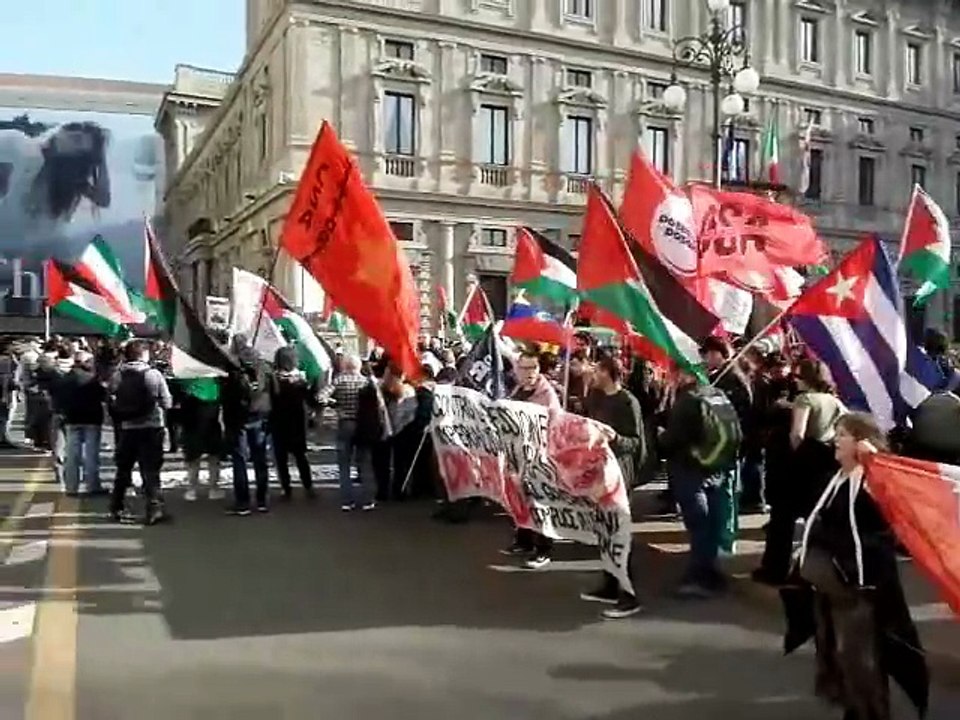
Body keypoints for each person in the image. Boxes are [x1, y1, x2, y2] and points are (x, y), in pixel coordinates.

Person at [782, 412, 928, 720]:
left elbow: (886, 516)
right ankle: (854, 708)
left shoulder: (871, 482)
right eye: (837, 432)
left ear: (861, 442)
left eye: (843, 434)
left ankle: (870, 713)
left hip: (862, 586)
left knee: (861, 658)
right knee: (839, 653)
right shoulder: (835, 479)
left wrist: (876, 467)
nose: (836, 439)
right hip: (833, 587)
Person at [758, 358, 845, 585]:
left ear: (805, 379)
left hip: (798, 469)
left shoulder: (804, 399)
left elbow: (797, 434)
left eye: (796, 377)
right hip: (824, 468)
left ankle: (775, 570)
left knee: (782, 522)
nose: (794, 381)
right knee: (817, 520)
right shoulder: (834, 401)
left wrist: (797, 452)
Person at [659, 365, 740, 598]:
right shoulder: (717, 394)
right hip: (716, 467)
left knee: (699, 525)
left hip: (689, 469)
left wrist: (661, 436)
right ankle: (711, 572)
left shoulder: (687, 401)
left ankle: (699, 577)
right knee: (711, 523)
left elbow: (673, 439)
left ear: (684, 375)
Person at [581, 353, 645, 619]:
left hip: (619, 472)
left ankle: (628, 595)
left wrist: (616, 438)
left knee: (619, 533)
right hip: (598, 471)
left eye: (597, 370)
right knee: (604, 531)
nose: (593, 373)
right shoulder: (595, 397)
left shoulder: (628, 402)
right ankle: (609, 585)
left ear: (609, 373)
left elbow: (636, 442)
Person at [502, 350, 561, 569]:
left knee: (540, 504)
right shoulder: (517, 391)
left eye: (533, 368)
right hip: (518, 456)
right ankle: (524, 540)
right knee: (520, 500)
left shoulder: (547, 395)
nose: (528, 373)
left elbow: (555, 427)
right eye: (524, 368)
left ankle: (543, 549)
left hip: (540, 457)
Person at [108, 340, 172, 525]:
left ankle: (116, 506)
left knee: (123, 469)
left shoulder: (117, 375)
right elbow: (166, 402)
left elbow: (111, 400)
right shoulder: (154, 374)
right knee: (150, 470)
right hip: (152, 427)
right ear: (144, 355)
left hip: (127, 428)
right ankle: (154, 509)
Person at [222, 341, 272, 516]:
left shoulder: (232, 372)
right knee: (260, 459)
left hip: (238, 420)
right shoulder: (265, 369)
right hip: (260, 417)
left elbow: (226, 398)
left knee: (239, 460)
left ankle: (242, 502)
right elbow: (274, 392)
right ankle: (262, 500)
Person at [330, 354, 380, 511]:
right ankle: (368, 499)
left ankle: (347, 500)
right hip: (363, 424)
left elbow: (320, 397)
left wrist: (335, 405)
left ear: (345, 366)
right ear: (358, 367)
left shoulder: (339, 380)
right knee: (364, 462)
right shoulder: (365, 382)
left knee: (344, 464)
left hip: (345, 423)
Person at [53, 351, 106, 496]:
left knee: (71, 455)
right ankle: (92, 485)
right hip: (92, 419)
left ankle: (71, 487)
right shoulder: (92, 379)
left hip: (71, 419)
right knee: (91, 455)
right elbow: (103, 396)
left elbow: (58, 400)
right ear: (86, 362)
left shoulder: (64, 379)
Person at [268, 346, 317, 501]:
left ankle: (286, 488)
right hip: (297, 422)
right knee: (301, 456)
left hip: (278, 422)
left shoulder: (273, 379)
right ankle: (308, 486)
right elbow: (311, 400)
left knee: (281, 458)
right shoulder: (300, 381)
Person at [179, 377, 225, 502]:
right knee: (214, 457)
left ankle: (192, 489)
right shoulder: (215, 377)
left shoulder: (187, 376)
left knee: (193, 458)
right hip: (211, 417)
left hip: (191, 421)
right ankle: (213, 488)